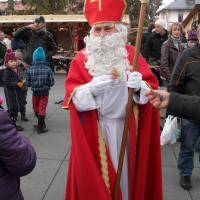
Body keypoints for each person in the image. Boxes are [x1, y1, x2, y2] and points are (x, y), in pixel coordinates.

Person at [63, 1, 162, 199]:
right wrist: (90, 89)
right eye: (97, 30)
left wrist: (139, 86)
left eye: (107, 29)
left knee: (126, 180)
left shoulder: (132, 56)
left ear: (117, 30)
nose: (101, 35)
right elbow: (72, 100)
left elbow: (152, 95)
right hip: (97, 132)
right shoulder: (81, 59)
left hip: (127, 130)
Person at [168, 25, 200, 191]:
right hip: (189, 110)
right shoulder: (188, 55)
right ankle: (185, 173)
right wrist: (174, 109)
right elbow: (174, 82)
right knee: (188, 145)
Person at [0, 94, 37, 200]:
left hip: (19, 93)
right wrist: (22, 139)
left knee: (21, 105)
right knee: (15, 107)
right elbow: (24, 162)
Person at [26, 47, 54, 134]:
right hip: (45, 92)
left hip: (35, 92)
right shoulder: (48, 69)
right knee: (42, 107)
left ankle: (40, 125)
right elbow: (52, 82)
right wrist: (48, 85)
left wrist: (30, 84)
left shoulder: (30, 69)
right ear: (43, 58)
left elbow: (28, 82)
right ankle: (41, 125)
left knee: (35, 106)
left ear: (34, 58)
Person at [3, 49, 25, 131]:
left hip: (16, 93)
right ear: (6, 63)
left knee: (15, 109)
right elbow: (6, 82)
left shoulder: (14, 70)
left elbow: (16, 80)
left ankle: (13, 124)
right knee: (13, 109)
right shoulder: (7, 71)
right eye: (11, 61)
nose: (14, 63)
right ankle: (12, 125)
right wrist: (16, 84)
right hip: (10, 94)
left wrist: (20, 81)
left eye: (14, 61)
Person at [143, 19, 168, 85]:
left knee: (163, 85)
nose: (155, 28)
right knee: (153, 84)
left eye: (158, 26)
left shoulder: (168, 37)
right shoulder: (151, 37)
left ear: (163, 27)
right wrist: (154, 62)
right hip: (153, 66)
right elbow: (146, 50)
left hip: (165, 66)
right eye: (155, 26)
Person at [15, 49, 29, 121]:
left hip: (23, 87)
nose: (17, 60)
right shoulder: (13, 67)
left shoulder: (25, 66)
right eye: (16, 59)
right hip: (16, 88)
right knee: (16, 101)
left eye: (19, 59)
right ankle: (15, 114)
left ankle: (23, 115)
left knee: (23, 101)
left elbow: (28, 75)